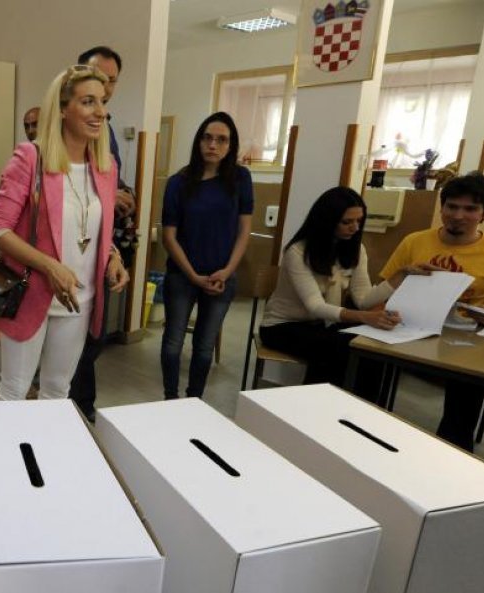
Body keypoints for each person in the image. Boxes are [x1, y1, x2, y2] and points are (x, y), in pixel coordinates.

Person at [0, 64, 129, 401]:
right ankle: (3, 455)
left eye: (102, 102)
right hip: (29, 294)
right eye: (88, 102)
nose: (100, 112)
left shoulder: (106, 166)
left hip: (80, 298)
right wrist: (51, 266)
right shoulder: (30, 157)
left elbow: (94, 229)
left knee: (57, 390)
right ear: (63, 108)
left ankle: (43, 453)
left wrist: (112, 256)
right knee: (14, 389)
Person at [380, 172, 484, 451]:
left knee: (467, 384)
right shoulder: (415, 242)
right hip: (411, 330)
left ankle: (450, 453)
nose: (459, 215)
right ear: (442, 207)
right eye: (452, 206)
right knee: (366, 357)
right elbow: (386, 290)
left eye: (470, 209)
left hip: (468, 340)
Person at [259, 187, 432, 399]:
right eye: (347, 222)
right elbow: (315, 306)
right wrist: (366, 318)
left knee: (373, 347)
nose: (355, 228)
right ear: (326, 220)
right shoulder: (297, 251)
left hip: (323, 324)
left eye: (359, 221)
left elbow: (364, 299)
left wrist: (401, 274)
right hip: (282, 325)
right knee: (336, 349)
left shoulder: (356, 249)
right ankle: (319, 408)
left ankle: (365, 407)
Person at [159, 112, 252, 400]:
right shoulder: (178, 182)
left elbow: (244, 230)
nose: (213, 145)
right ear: (199, 141)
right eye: (207, 137)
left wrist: (226, 271)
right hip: (183, 276)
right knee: (173, 343)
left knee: (203, 346)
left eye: (221, 140)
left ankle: (193, 400)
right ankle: (171, 399)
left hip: (220, 278)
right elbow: (169, 236)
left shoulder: (240, 178)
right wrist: (193, 276)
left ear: (231, 145)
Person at [67, 45, 137, 421]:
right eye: (96, 80)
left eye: (111, 82)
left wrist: (111, 251)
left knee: (92, 338)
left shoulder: (104, 128)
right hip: (64, 259)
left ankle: (81, 407)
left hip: (99, 249)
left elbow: (100, 188)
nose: (104, 90)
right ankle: (72, 407)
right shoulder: (50, 145)